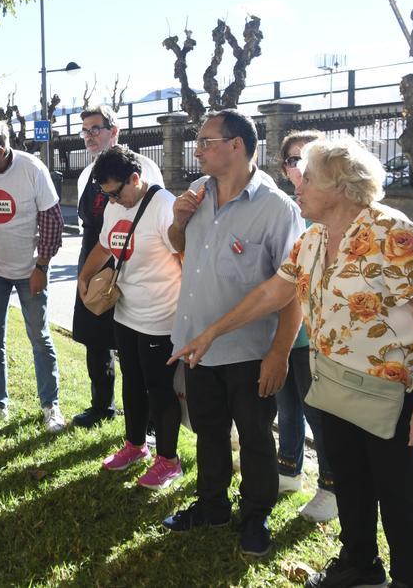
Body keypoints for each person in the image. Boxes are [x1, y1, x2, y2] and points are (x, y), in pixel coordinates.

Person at [173, 136, 413, 588]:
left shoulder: (392, 233)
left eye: (307, 179)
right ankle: (360, 565)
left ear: (342, 186)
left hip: (393, 395)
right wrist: (210, 333)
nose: (297, 187)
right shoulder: (314, 237)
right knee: (349, 481)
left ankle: (410, 580)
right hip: (335, 385)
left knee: (398, 493)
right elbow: (273, 293)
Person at [161, 109, 305, 557]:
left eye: (206, 141)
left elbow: (294, 288)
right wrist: (179, 222)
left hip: (248, 351)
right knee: (207, 431)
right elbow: (179, 247)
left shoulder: (278, 208)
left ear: (237, 145)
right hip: (196, 343)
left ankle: (255, 515)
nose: (197, 150)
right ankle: (212, 504)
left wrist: (280, 353)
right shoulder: (199, 193)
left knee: (257, 438)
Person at [77, 145, 182, 488]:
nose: (111, 200)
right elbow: (106, 245)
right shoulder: (113, 205)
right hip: (125, 313)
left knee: (159, 389)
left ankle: (168, 460)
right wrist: (84, 274)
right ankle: (135, 445)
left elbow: (185, 257)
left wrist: (189, 314)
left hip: (161, 317)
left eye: (115, 192)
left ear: (135, 179)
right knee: (132, 383)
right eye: (105, 193)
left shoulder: (163, 206)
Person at [0, 121, 66, 432]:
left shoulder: (32, 169)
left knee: (39, 338)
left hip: (29, 269)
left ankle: (50, 405)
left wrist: (41, 267)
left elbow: (52, 222)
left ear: (1, 152)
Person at [71, 105, 164, 429]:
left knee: (134, 346)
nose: (89, 136)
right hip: (94, 255)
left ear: (115, 129)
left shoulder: (144, 167)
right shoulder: (87, 173)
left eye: (95, 128)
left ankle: (148, 418)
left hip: (129, 261)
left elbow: (152, 219)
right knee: (94, 341)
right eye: (85, 131)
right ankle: (102, 405)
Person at [274, 131, 337, 523]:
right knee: (287, 403)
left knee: (319, 412)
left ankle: (331, 488)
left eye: (308, 159)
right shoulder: (287, 209)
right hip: (286, 328)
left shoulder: (331, 211)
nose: (299, 168)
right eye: (293, 160)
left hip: (319, 336)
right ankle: (288, 469)